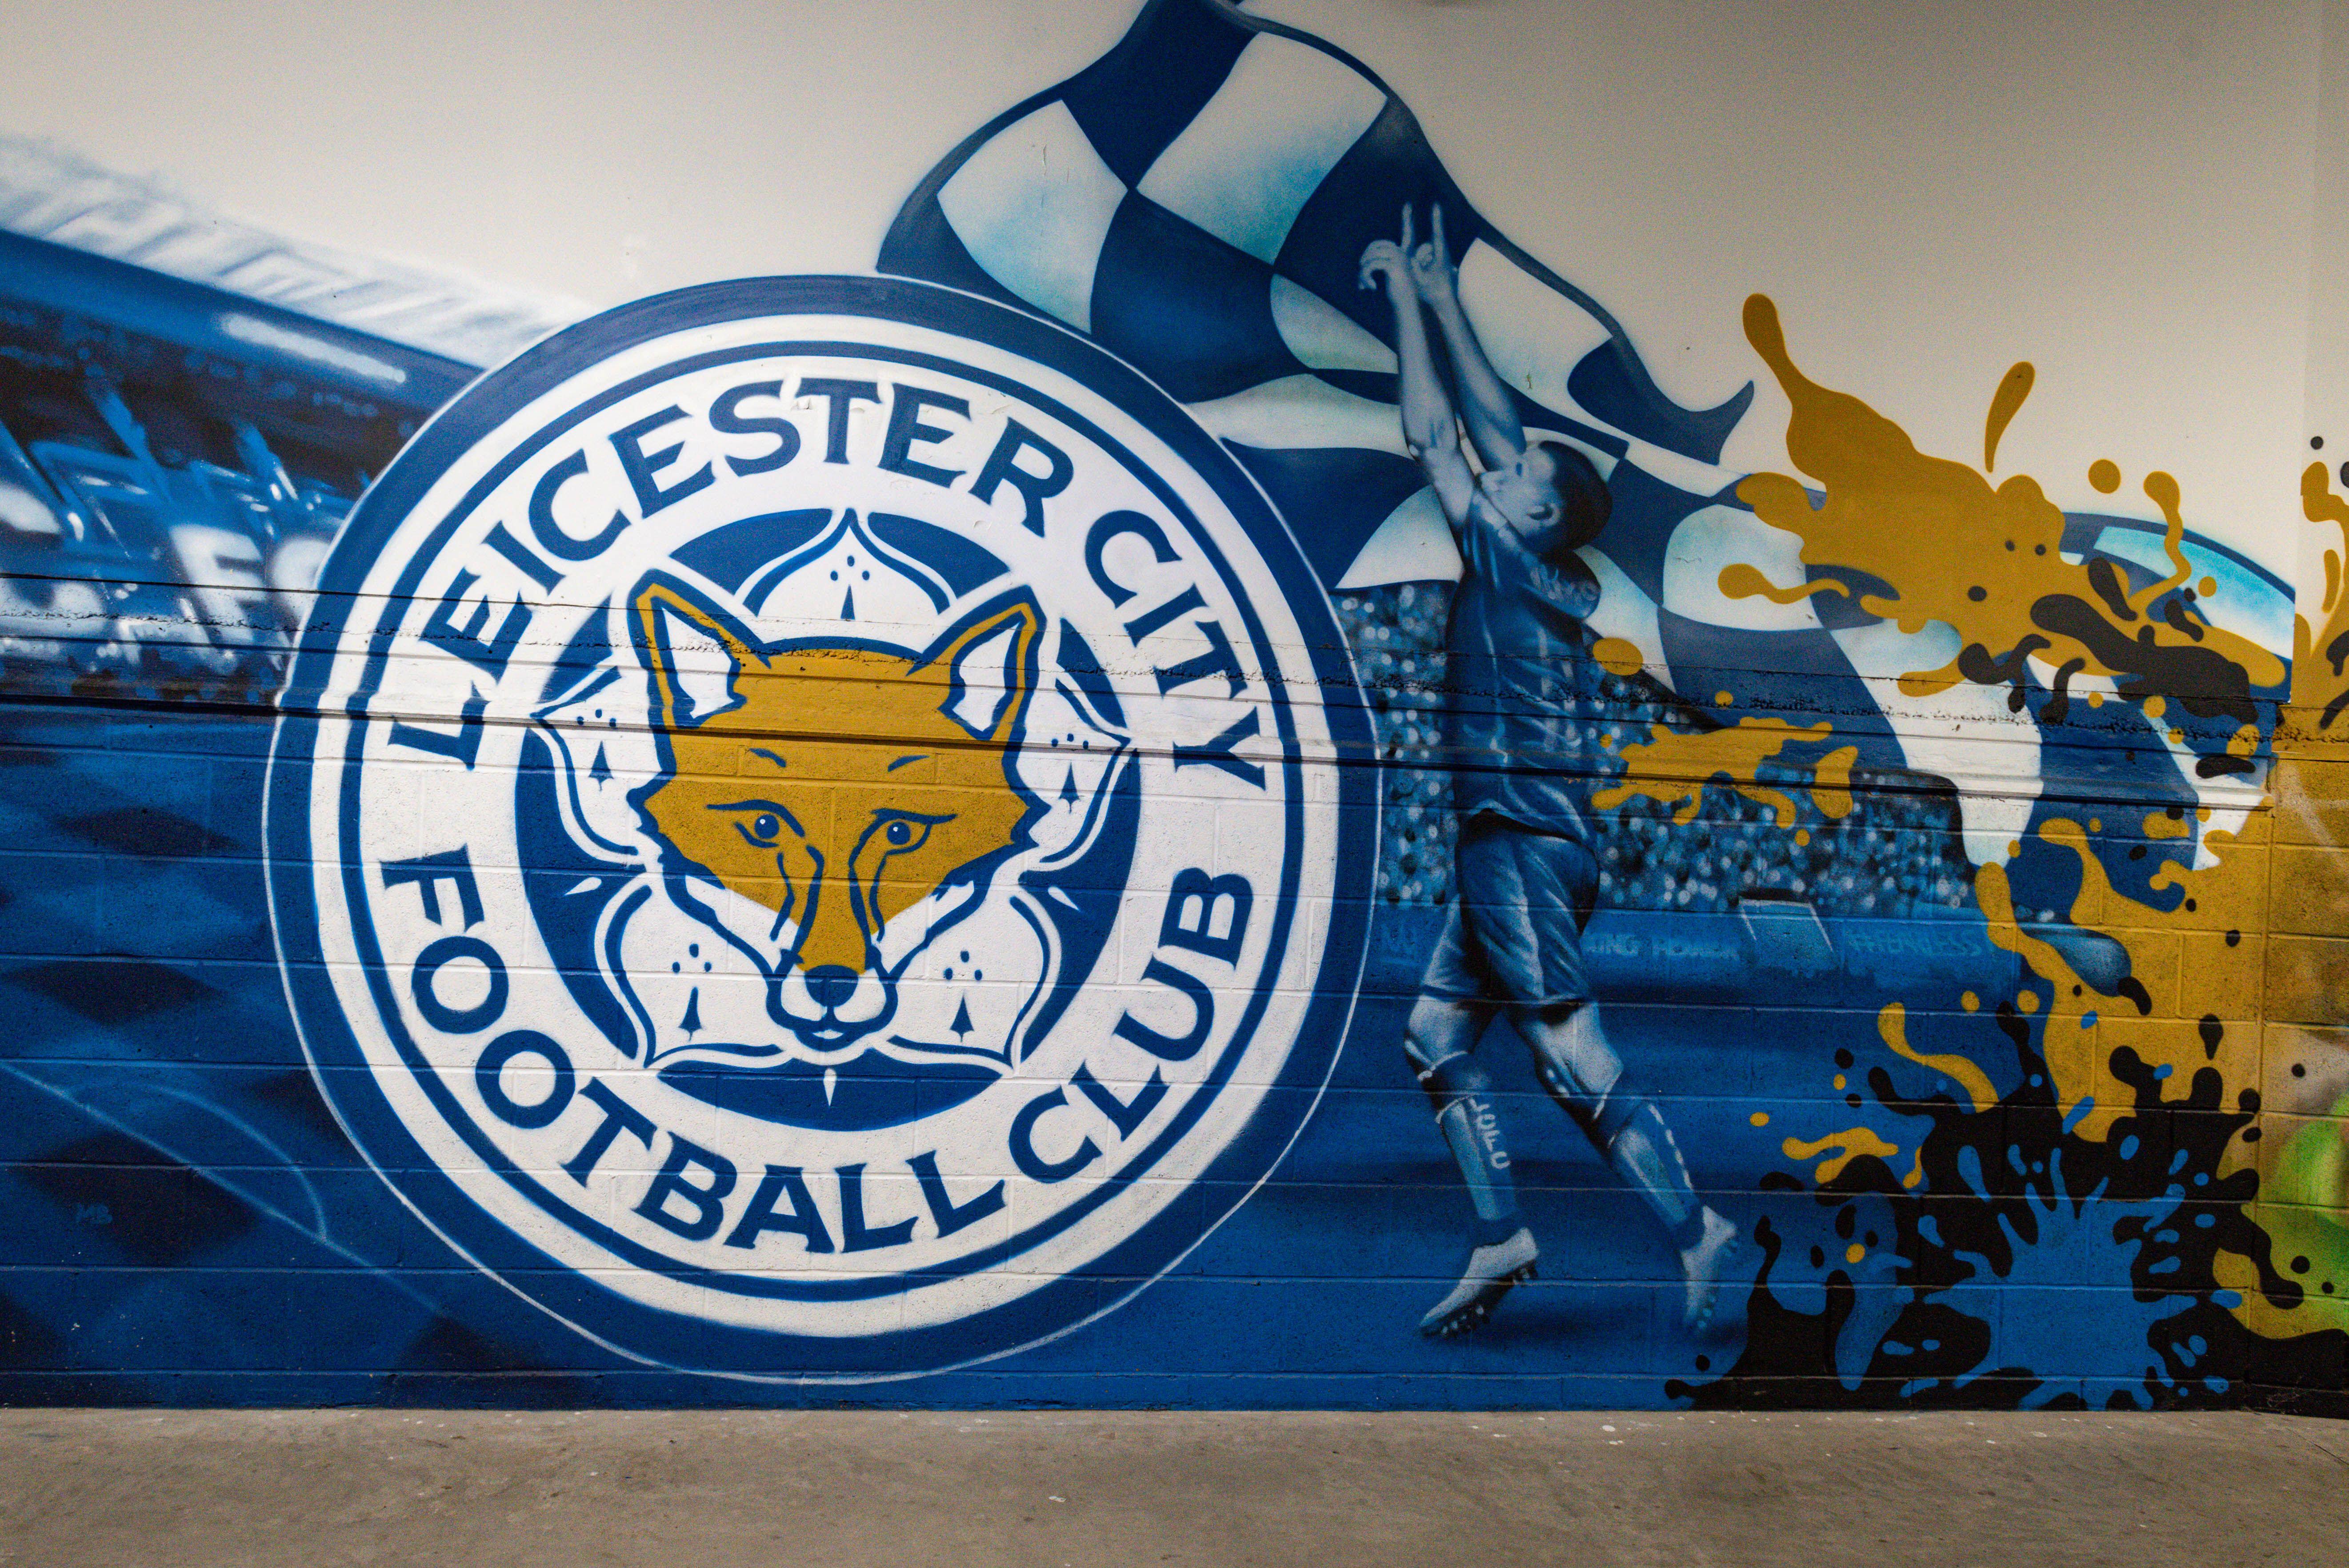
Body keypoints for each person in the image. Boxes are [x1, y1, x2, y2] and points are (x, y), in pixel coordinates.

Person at [1359, 206, 1744, 1338]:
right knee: (1434, 1039)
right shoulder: (1548, 572)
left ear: (1536, 510)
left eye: (1521, 469)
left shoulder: (1506, 553)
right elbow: (1497, 428)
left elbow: (1442, 434)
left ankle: (1694, 1232)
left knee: (1572, 1061)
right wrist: (1443, 295)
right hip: (1517, 840)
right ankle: (1502, 1237)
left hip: (1518, 840)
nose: (1503, 459)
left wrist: (1403, 309)